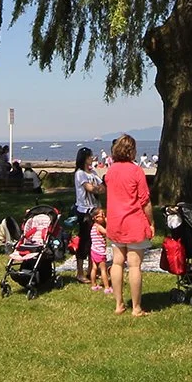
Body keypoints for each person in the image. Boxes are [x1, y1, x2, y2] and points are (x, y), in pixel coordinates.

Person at [104, 133, 153, 317]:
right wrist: (151, 222)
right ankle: (136, 307)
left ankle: (119, 304)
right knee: (134, 265)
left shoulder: (111, 171)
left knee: (117, 262)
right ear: (131, 151)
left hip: (115, 223)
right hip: (133, 222)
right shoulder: (136, 171)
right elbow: (145, 201)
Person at [71, 147, 102, 285]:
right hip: (84, 211)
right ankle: (80, 272)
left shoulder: (93, 172)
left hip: (95, 210)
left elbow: (102, 187)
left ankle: (91, 270)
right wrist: (98, 188)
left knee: (94, 241)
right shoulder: (80, 174)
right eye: (90, 156)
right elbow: (91, 188)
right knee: (84, 241)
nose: (92, 158)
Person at [89, 208, 112, 294]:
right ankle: (107, 287)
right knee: (103, 270)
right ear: (95, 218)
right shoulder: (99, 227)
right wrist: (107, 222)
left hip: (93, 250)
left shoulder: (93, 226)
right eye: (102, 215)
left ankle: (94, 285)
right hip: (100, 252)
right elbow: (108, 232)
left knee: (94, 268)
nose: (104, 217)